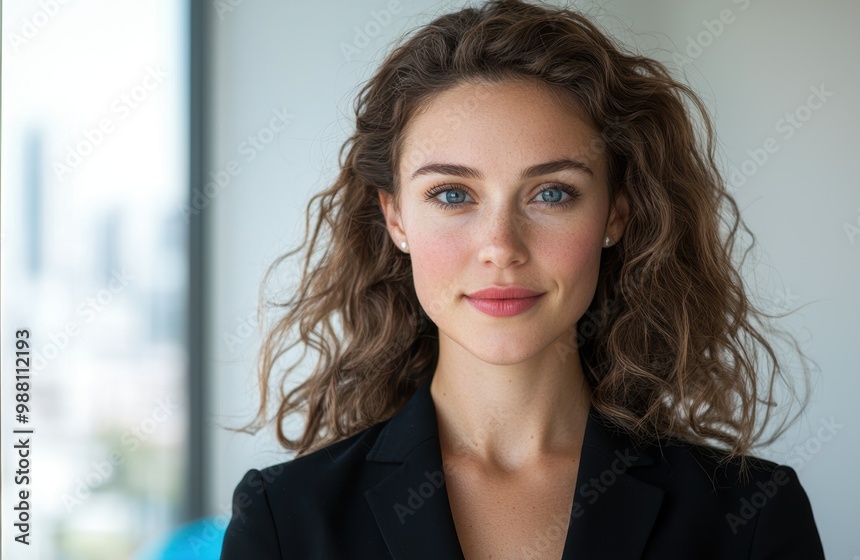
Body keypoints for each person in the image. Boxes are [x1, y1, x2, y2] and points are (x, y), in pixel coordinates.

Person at [220, 0, 826, 558]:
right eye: (453, 194)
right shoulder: (283, 521)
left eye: (552, 193)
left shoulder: (751, 517)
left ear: (616, 211)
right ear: (395, 217)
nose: (501, 248)